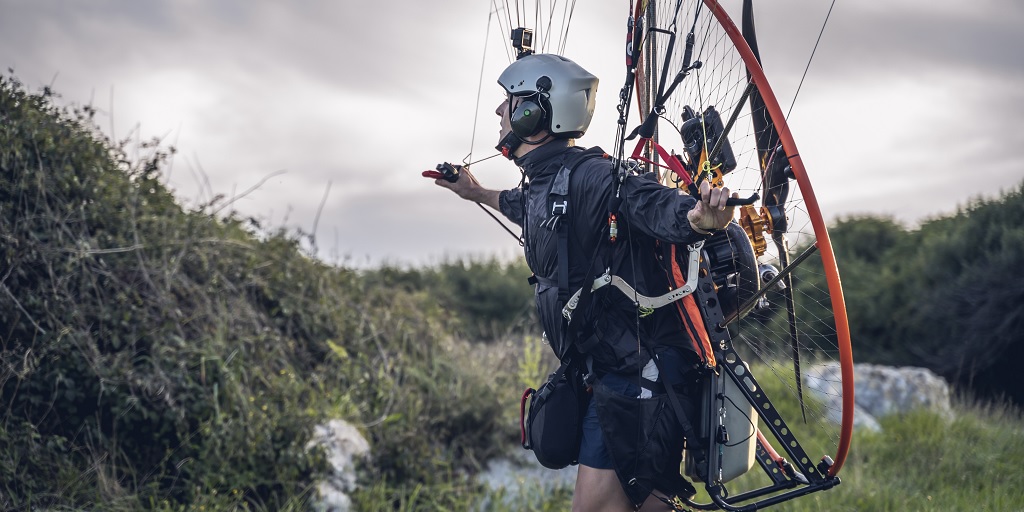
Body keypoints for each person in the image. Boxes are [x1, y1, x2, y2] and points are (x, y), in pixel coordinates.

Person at [428, 53, 737, 511]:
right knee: (644, 504)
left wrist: (697, 218)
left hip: (642, 369)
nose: (499, 112)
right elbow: (527, 208)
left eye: (509, 102)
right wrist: (475, 192)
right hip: (610, 366)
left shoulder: (594, 175)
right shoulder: (543, 181)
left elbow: (650, 202)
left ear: (535, 112)